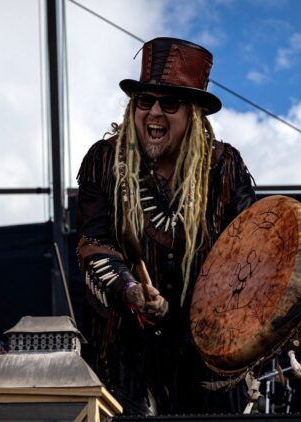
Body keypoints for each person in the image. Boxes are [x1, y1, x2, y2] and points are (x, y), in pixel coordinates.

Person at [76, 37, 256, 415]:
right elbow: (94, 241)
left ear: (193, 113)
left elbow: (249, 254)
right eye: (145, 101)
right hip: (128, 353)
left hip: (207, 353)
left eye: (169, 103)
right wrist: (130, 289)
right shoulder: (104, 162)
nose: (154, 112)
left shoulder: (224, 167)